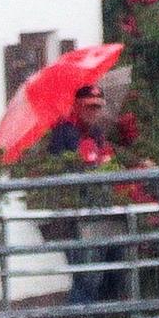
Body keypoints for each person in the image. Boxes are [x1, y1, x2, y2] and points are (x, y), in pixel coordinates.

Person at [37, 85, 123, 306]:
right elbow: (57, 171)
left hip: (98, 210)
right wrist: (84, 166)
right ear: (77, 106)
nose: (95, 112)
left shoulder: (96, 133)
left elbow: (105, 162)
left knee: (109, 269)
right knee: (86, 274)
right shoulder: (63, 132)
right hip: (74, 214)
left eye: (98, 107)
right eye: (90, 107)